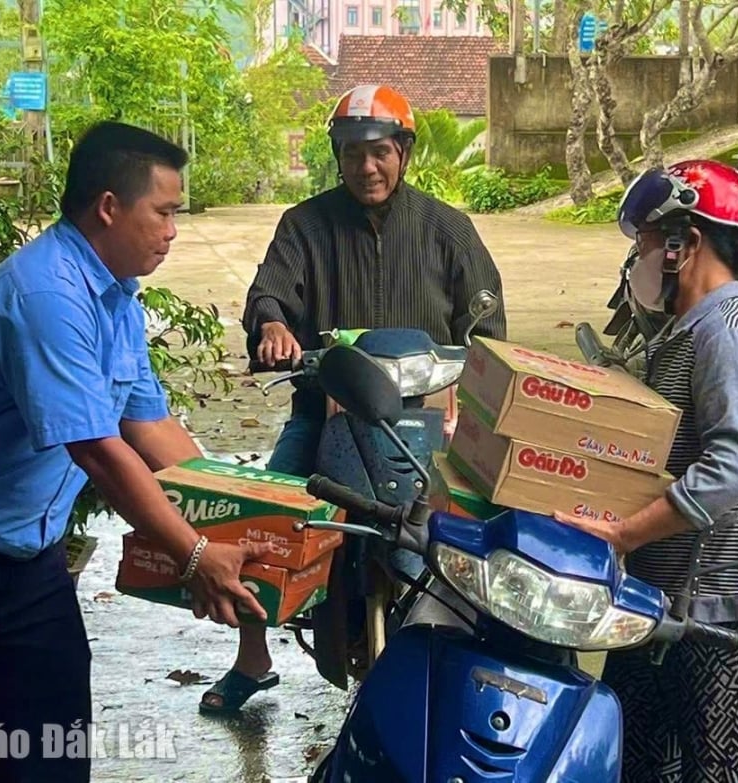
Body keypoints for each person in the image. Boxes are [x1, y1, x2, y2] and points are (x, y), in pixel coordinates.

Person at [0, 121, 274, 783]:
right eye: (163, 211)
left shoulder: (116, 300)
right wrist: (194, 555)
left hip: (29, 560)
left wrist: (241, 515)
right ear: (110, 207)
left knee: (47, 750)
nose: (172, 230)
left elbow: (150, 426)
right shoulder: (46, 296)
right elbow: (99, 452)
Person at [199, 83, 507, 714]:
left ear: (404, 151)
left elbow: (488, 328)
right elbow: (269, 295)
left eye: (380, 152)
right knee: (266, 516)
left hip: (423, 423)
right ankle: (253, 660)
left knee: (486, 528)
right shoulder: (303, 225)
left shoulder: (450, 230)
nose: (367, 167)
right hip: (322, 412)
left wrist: (475, 372)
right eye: (352, 153)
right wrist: (274, 327)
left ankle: (472, 661)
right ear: (337, 156)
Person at [555, 160, 738, 782]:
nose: (637, 258)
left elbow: (732, 468)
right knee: (640, 764)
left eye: (644, 241)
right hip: (672, 606)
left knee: (706, 773)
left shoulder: (728, 334)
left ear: (685, 243)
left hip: (726, 615)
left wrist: (624, 535)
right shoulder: (686, 332)